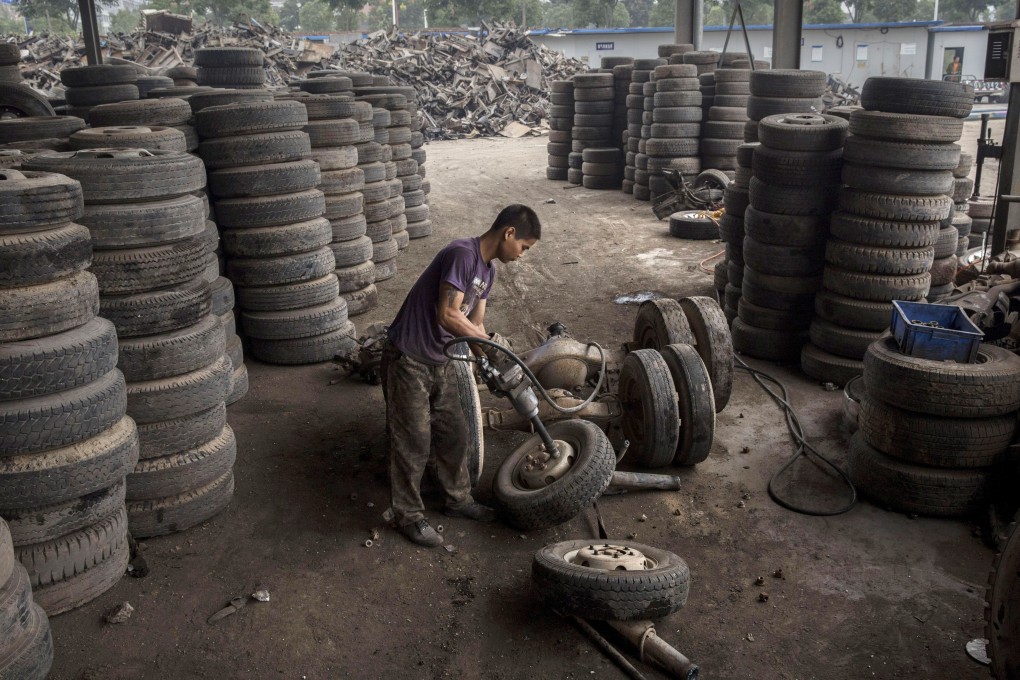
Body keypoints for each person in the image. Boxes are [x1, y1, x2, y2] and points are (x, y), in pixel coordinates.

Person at [381, 204, 542, 547]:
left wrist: (492, 364)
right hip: (409, 357)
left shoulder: (488, 271)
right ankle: (407, 516)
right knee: (414, 442)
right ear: (508, 233)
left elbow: (476, 324)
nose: (521, 255)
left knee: (456, 432)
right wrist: (490, 346)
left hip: (441, 358)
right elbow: (448, 314)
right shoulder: (461, 253)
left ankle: (457, 501)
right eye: (524, 248)